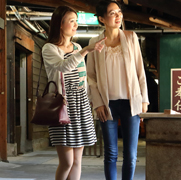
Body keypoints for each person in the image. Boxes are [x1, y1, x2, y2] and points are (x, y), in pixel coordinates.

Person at [41, 6, 106, 180]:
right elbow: (63, 67)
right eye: (72, 21)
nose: (75, 25)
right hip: (62, 104)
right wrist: (85, 50)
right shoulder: (50, 48)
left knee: (78, 161)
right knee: (67, 162)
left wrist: (88, 99)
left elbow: (82, 77)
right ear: (60, 24)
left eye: (76, 21)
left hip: (80, 103)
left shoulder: (76, 46)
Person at [87, 1, 149, 180]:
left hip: (131, 103)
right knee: (110, 153)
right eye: (112, 13)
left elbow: (140, 70)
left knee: (130, 155)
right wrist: (97, 103)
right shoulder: (94, 42)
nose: (118, 16)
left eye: (119, 12)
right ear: (102, 18)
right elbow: (90, 76)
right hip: (107, 105)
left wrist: (144, 100)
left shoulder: (130, 37)